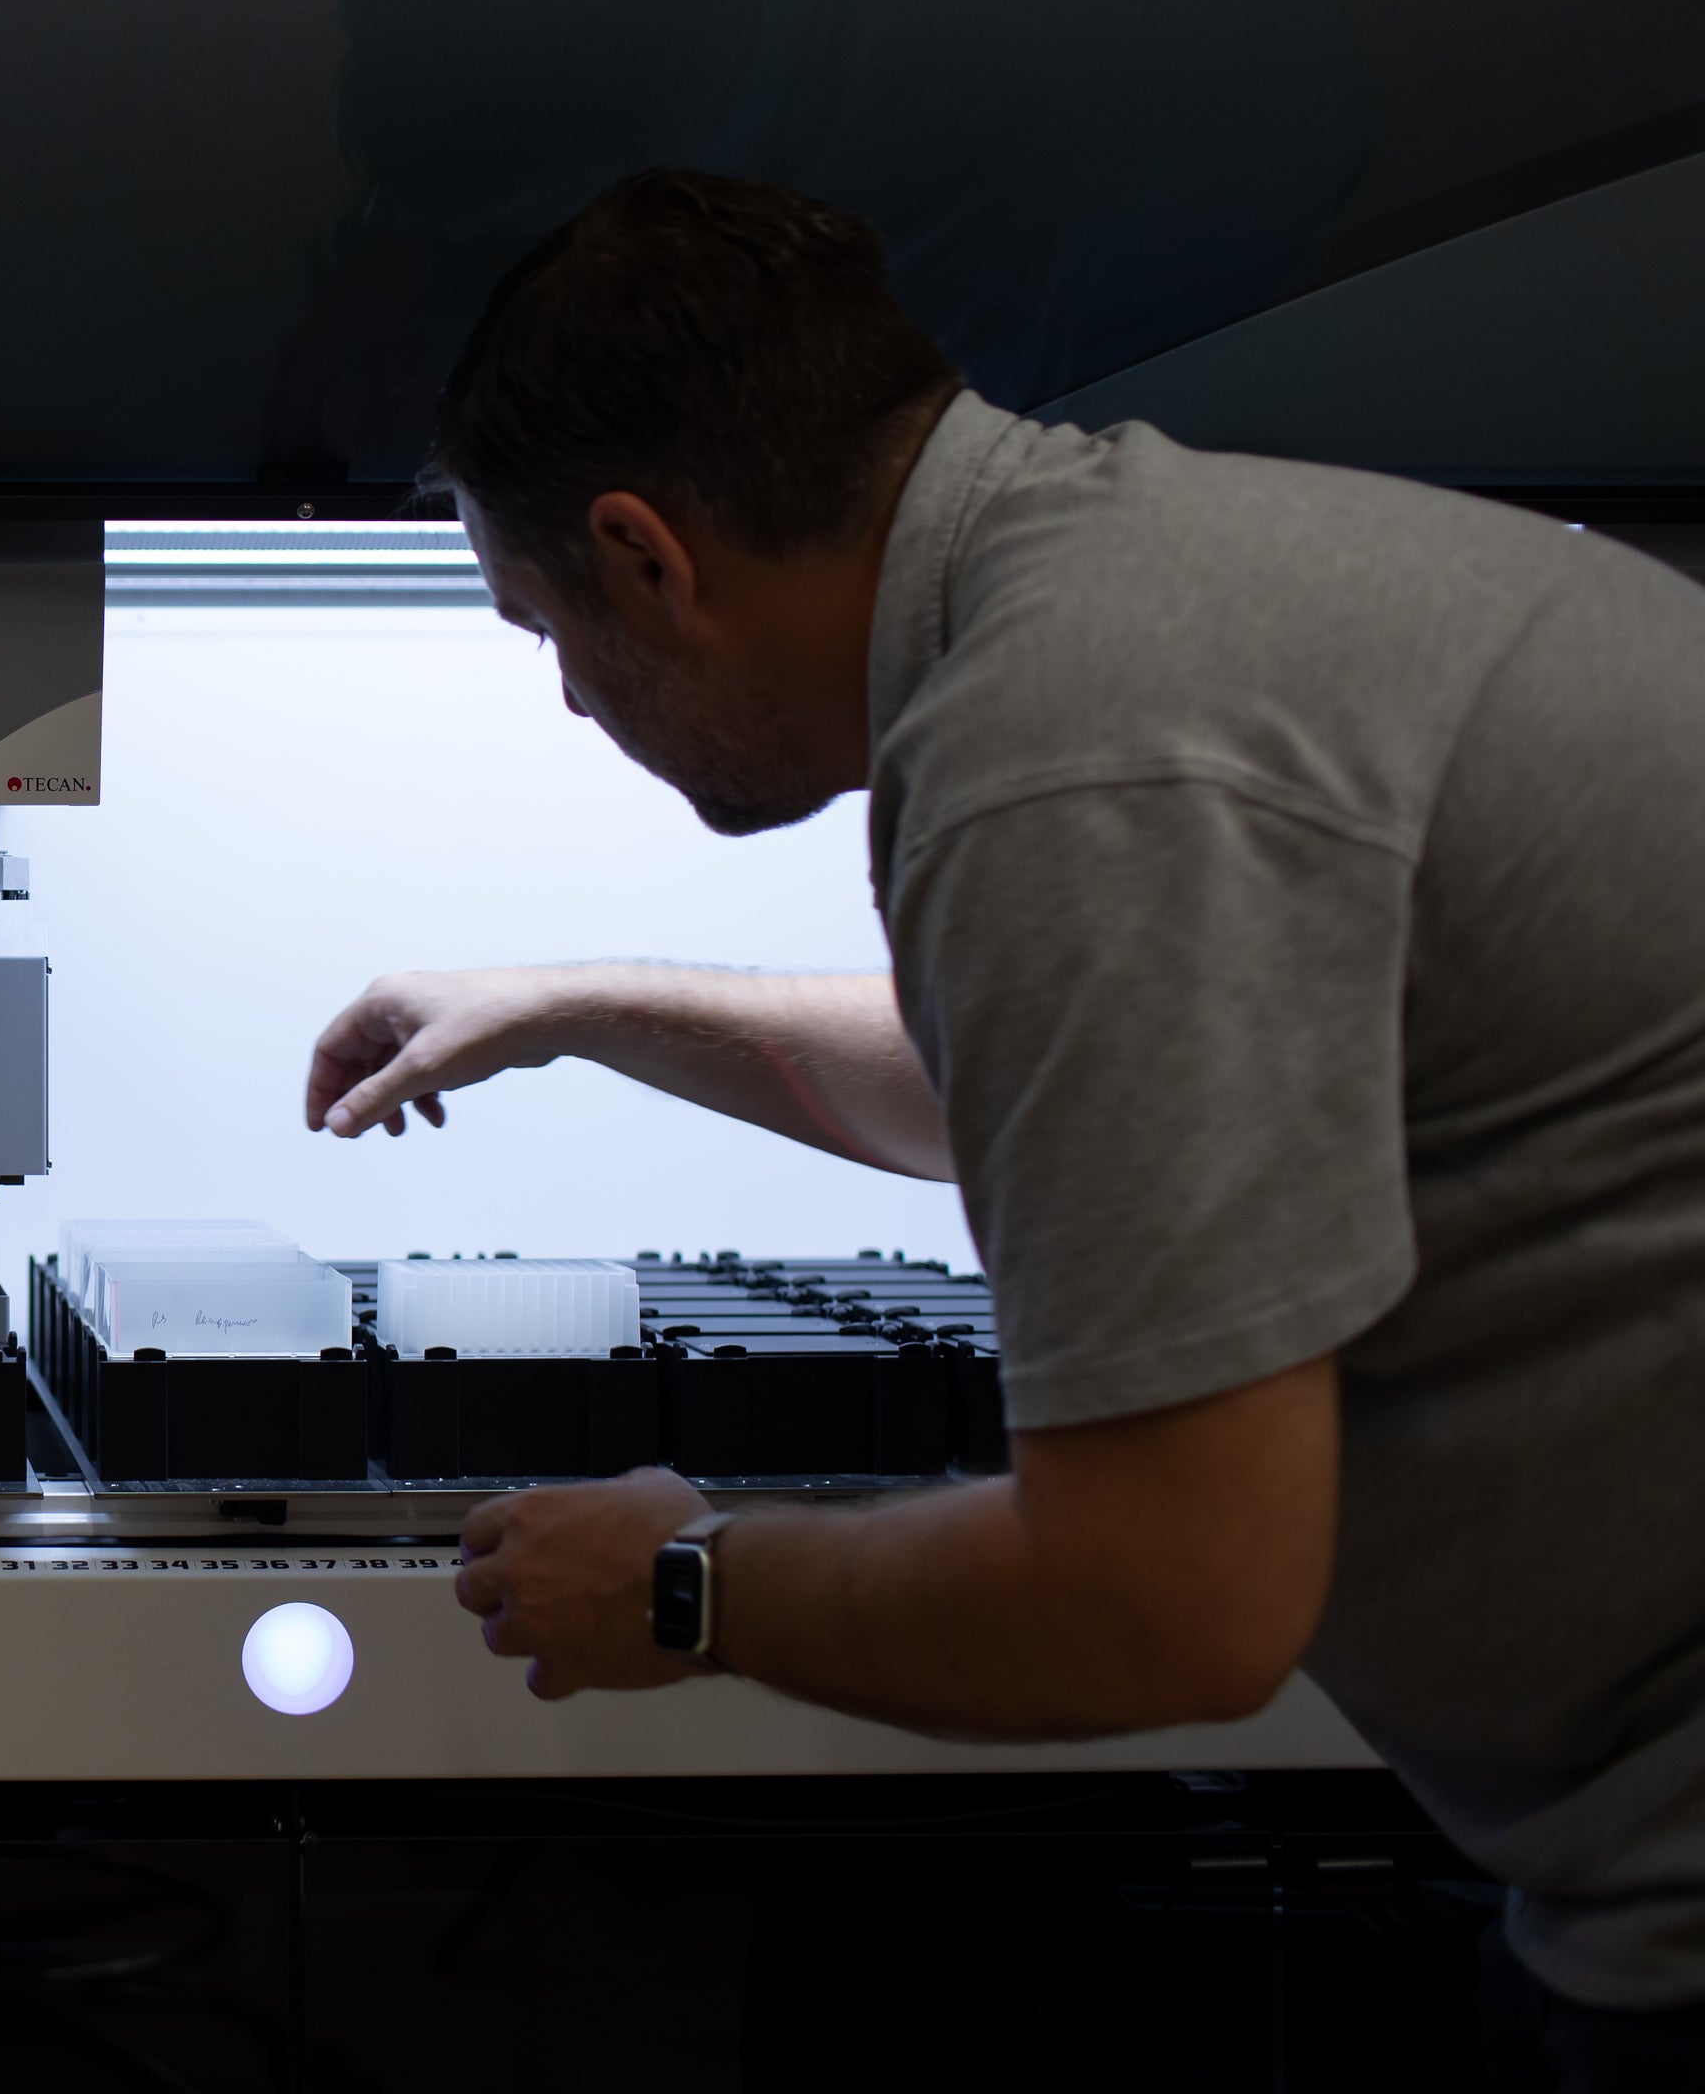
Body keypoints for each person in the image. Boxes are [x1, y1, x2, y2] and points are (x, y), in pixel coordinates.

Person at [300, 169, 1705, 2091]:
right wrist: (578, 1010)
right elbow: (1069, 1080)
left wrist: (688, 1583)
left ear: (648, 556)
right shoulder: (1136, 588)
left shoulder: (1066, 749)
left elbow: (1166, 1605)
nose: (569, 698)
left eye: (543, 627)